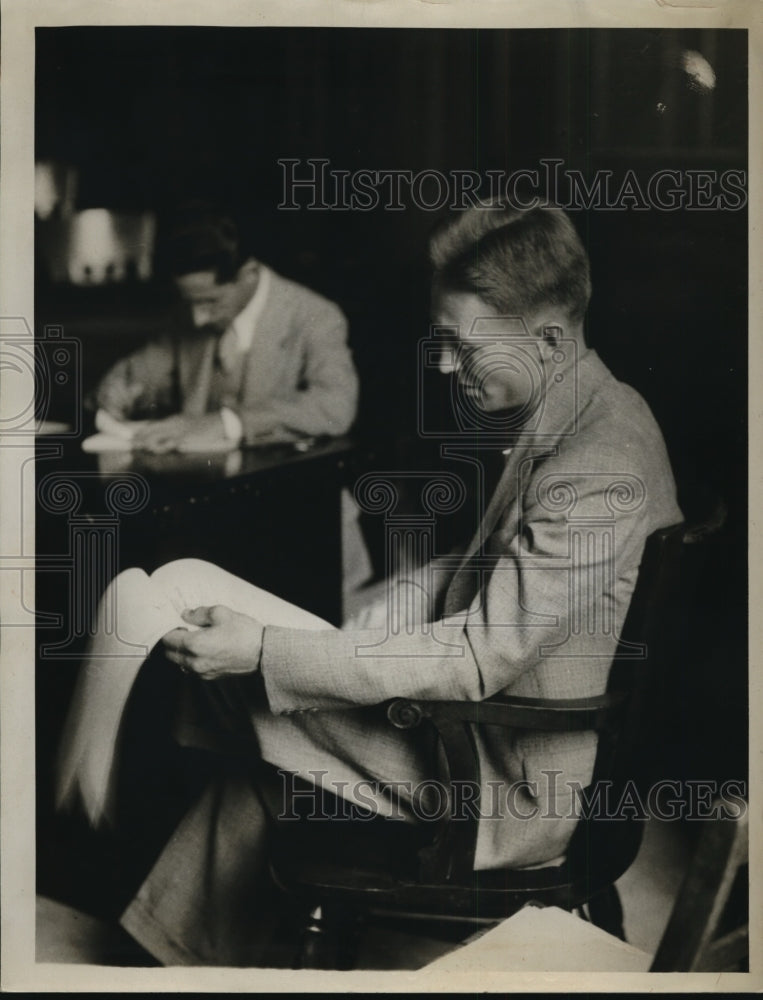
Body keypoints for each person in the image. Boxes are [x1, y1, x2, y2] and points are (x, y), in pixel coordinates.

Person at [60, 203, 682, 966]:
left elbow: (479, 660)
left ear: (548, 340)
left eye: (461, 344)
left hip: (507, 785)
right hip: (495, 735)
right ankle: (165, 959)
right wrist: (373, 618)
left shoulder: (595, 463)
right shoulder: (585, 412)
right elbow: (485, 570)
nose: (446, 364)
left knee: (244, 693)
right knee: (262, 744)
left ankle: (115, 855)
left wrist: (267, 650)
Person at [93, 202, 359, 451]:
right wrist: (115, 394)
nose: (198, 319)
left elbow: (335, 406)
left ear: (249, 274)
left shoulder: (316, 316)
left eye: (211, 301)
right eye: (191, 303)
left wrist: (229, 423)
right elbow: (134, 376)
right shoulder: (189, 315)